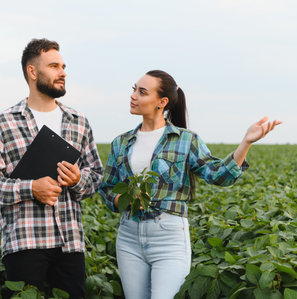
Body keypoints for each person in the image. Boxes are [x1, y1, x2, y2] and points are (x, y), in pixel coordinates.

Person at [98, 70, 282, 299]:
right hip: (128, 236)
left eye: (142, 92)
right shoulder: (121, 142)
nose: (133, 96)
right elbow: (107, 187)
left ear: (162, 102)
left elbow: (218, 175)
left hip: (168, 236)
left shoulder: (185, 139)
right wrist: (120, 200)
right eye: (134, 89)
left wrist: (246, 142)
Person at [0, 38, 103, 299]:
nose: (63, 72)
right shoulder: (4, 123)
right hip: (25, 243)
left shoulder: (79, 122)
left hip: (71, 243)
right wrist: (31, 188)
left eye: (63, 66)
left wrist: (78, 179)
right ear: (32, 72)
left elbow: (96, 175)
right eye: (54, 66)